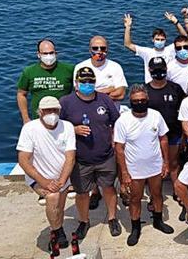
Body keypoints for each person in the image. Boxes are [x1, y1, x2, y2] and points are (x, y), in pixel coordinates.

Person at [59, 67, 122, 238]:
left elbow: (117, 122)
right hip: (80, 159)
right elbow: (57, 128)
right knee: (82, 193)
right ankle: (84, 221)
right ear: (76, 83)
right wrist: (73, 129)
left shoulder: (104, 100)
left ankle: (112, 218)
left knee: (108, 188)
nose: (87, 84)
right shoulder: (65, 102)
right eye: (84, 81)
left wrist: (116, 145)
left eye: (90, 81)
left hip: (105, 156)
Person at [113, 84, 175, 246]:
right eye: (135, 101)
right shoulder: (123, 121)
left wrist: (166, 162)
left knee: (157, 194)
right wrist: (124, 173)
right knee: (135, 198)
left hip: (155, 165)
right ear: (130, 101)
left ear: (147, 100)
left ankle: (158, 220)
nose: (139, 103)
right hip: (134, 169)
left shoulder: (156, 116)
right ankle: (135, 227)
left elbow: (163, 139)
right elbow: (119, 149)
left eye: (142, 100)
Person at [16, 96, 76, 248]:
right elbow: (23, 159)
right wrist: (44, 182)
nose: (52, 114)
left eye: (55, 110)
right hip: (39, 177)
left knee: (60, 208)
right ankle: (57, 232)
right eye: (48, 110)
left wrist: (62, 181)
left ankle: (58, 226)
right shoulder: (30, 129)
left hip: (61, 177)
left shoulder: (67, 127)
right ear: (40, 112)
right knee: (53, 198)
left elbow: (70, 158)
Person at [145, 57, 187, 207]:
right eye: (155, 71)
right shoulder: (145, 90)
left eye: (162, 70)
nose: (159, 73)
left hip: (174, 134)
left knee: (174, 164)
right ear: (150, 71)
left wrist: (184, 134)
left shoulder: (175, 88)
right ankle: (154, 196)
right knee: (154, 167)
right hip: (152, 137)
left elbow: (185, 111)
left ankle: (178, 192)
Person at [17, 39, 74, 124]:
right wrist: (25, 118)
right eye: (45, 53)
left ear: (56, 53)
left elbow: (78, 92)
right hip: (39, 120)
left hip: (64, 119)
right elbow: (21, 94)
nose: (48, 56)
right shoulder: (29, 71)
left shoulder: (70, 69)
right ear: (38, 54)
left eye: (51, 53)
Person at [123, 13, 175, 82]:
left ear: (166, 40)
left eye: (162, 39)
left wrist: (176, 22)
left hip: (168, 84)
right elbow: (128, 44)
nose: (160, 41)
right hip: (151, 87)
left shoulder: (171, 49)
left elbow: (186, 38)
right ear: (153, 40)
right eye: (157, 39)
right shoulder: (147, 52)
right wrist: (128, 27)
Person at [74, 36, 127, 102]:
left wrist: (92, 93)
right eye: (95, 48)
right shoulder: (80, 67)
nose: (99, 51)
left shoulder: (116, 67)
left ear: (107, 49)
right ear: (90, 50)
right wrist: (109, 89)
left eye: (103, 48)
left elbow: (121, 94)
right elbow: (79, 93)